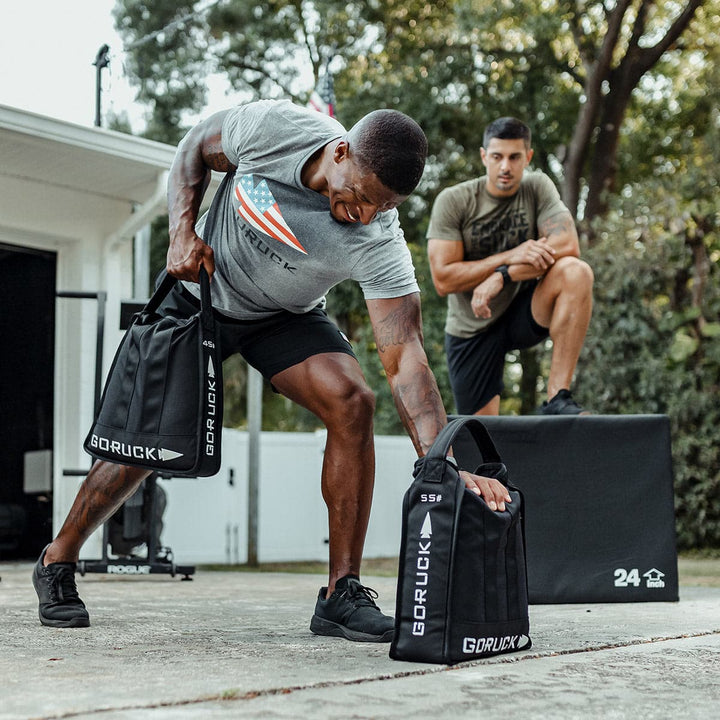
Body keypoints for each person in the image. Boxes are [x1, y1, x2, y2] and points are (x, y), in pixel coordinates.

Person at [32, 100, 512, 642]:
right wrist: (182, 232)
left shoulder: (379, 239)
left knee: (353, 401)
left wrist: (440, 462)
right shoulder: (275, 131)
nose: (365, 216)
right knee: (143, 451)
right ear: (339, 151)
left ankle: (340, 594)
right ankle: (58, 560)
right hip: (202, 295)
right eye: (357, 198)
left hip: (283, 316)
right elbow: (193, 149)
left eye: (382, 208)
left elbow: (404, 357)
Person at [426, 117, 594, 416]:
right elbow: (443, 279)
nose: (506, 166)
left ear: (527, 157)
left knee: (575, 271)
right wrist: (509, 256)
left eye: (515, 157)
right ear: (483, 157)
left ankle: (557, 398)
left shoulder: (537, 186)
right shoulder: (455, 201)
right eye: (497, 157)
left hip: (522, 309)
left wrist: (503, 276)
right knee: (480, 441)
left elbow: (567, 245)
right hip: (472, 326)